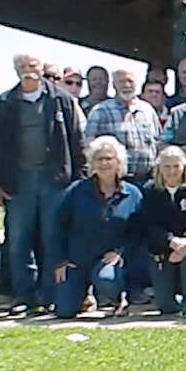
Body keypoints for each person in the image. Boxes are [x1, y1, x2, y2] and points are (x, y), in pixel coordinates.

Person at [0, 53, 87, 315]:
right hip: (18, 181)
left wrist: (79, 178)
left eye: (32, 66)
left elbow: (76, 140)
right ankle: (24, 295)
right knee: (19, 240)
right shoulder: (4, 102)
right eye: (22, 67)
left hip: (54, 180)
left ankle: (50, 294)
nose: (28, 71)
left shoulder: (61, 99)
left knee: (53, 238)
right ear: (15, 71)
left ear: (41, 68)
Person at [50, 136, 144, 318]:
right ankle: (85, 298)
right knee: (64, 311)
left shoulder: (132, 194)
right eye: (98, 159)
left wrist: (121, 253)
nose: (104, 163)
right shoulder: (76, 191)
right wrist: (60, 260)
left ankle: (119, 298)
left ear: (119, 163)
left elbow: (138, 233)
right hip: (77, 260)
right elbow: (58, 227)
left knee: (107, 280)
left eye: (109, 158)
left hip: (109, 261)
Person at [141, 145, 186, 317]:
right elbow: (149, 224)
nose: (172, 171)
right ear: (159, 168)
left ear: (184, 167)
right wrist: (171, 241)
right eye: (167, 167)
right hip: (162, 247)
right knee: (166, 306)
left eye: (176, 166)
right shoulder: (150, 190)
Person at [86, 69, 162, 184]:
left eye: (130, 81)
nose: (126, 85)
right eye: (121, 81)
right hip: (114, 182)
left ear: (137, 84)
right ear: (113, 85)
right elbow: (89, 148)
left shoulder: (148, 110)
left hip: (148, 180)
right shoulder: (100, 111)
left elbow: (159, 142)